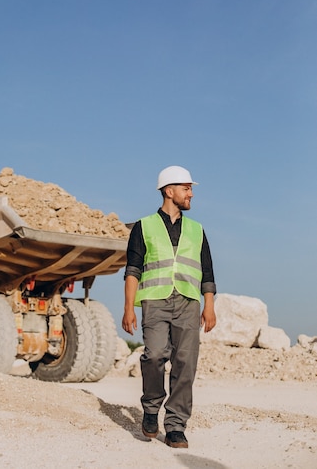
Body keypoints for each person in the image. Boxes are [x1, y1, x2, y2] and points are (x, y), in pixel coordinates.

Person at [122, 165, 217, 449]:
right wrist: (129, 307)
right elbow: (133, 270)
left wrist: (208, 306)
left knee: (185, 363)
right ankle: (151, 408)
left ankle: (175, 425)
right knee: (153, 356)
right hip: (155, 300)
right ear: (169, 191)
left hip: (188, 301)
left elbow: (208, 273)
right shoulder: (143, 226)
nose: (191, 194)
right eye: (187, 188)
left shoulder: (197, 230)